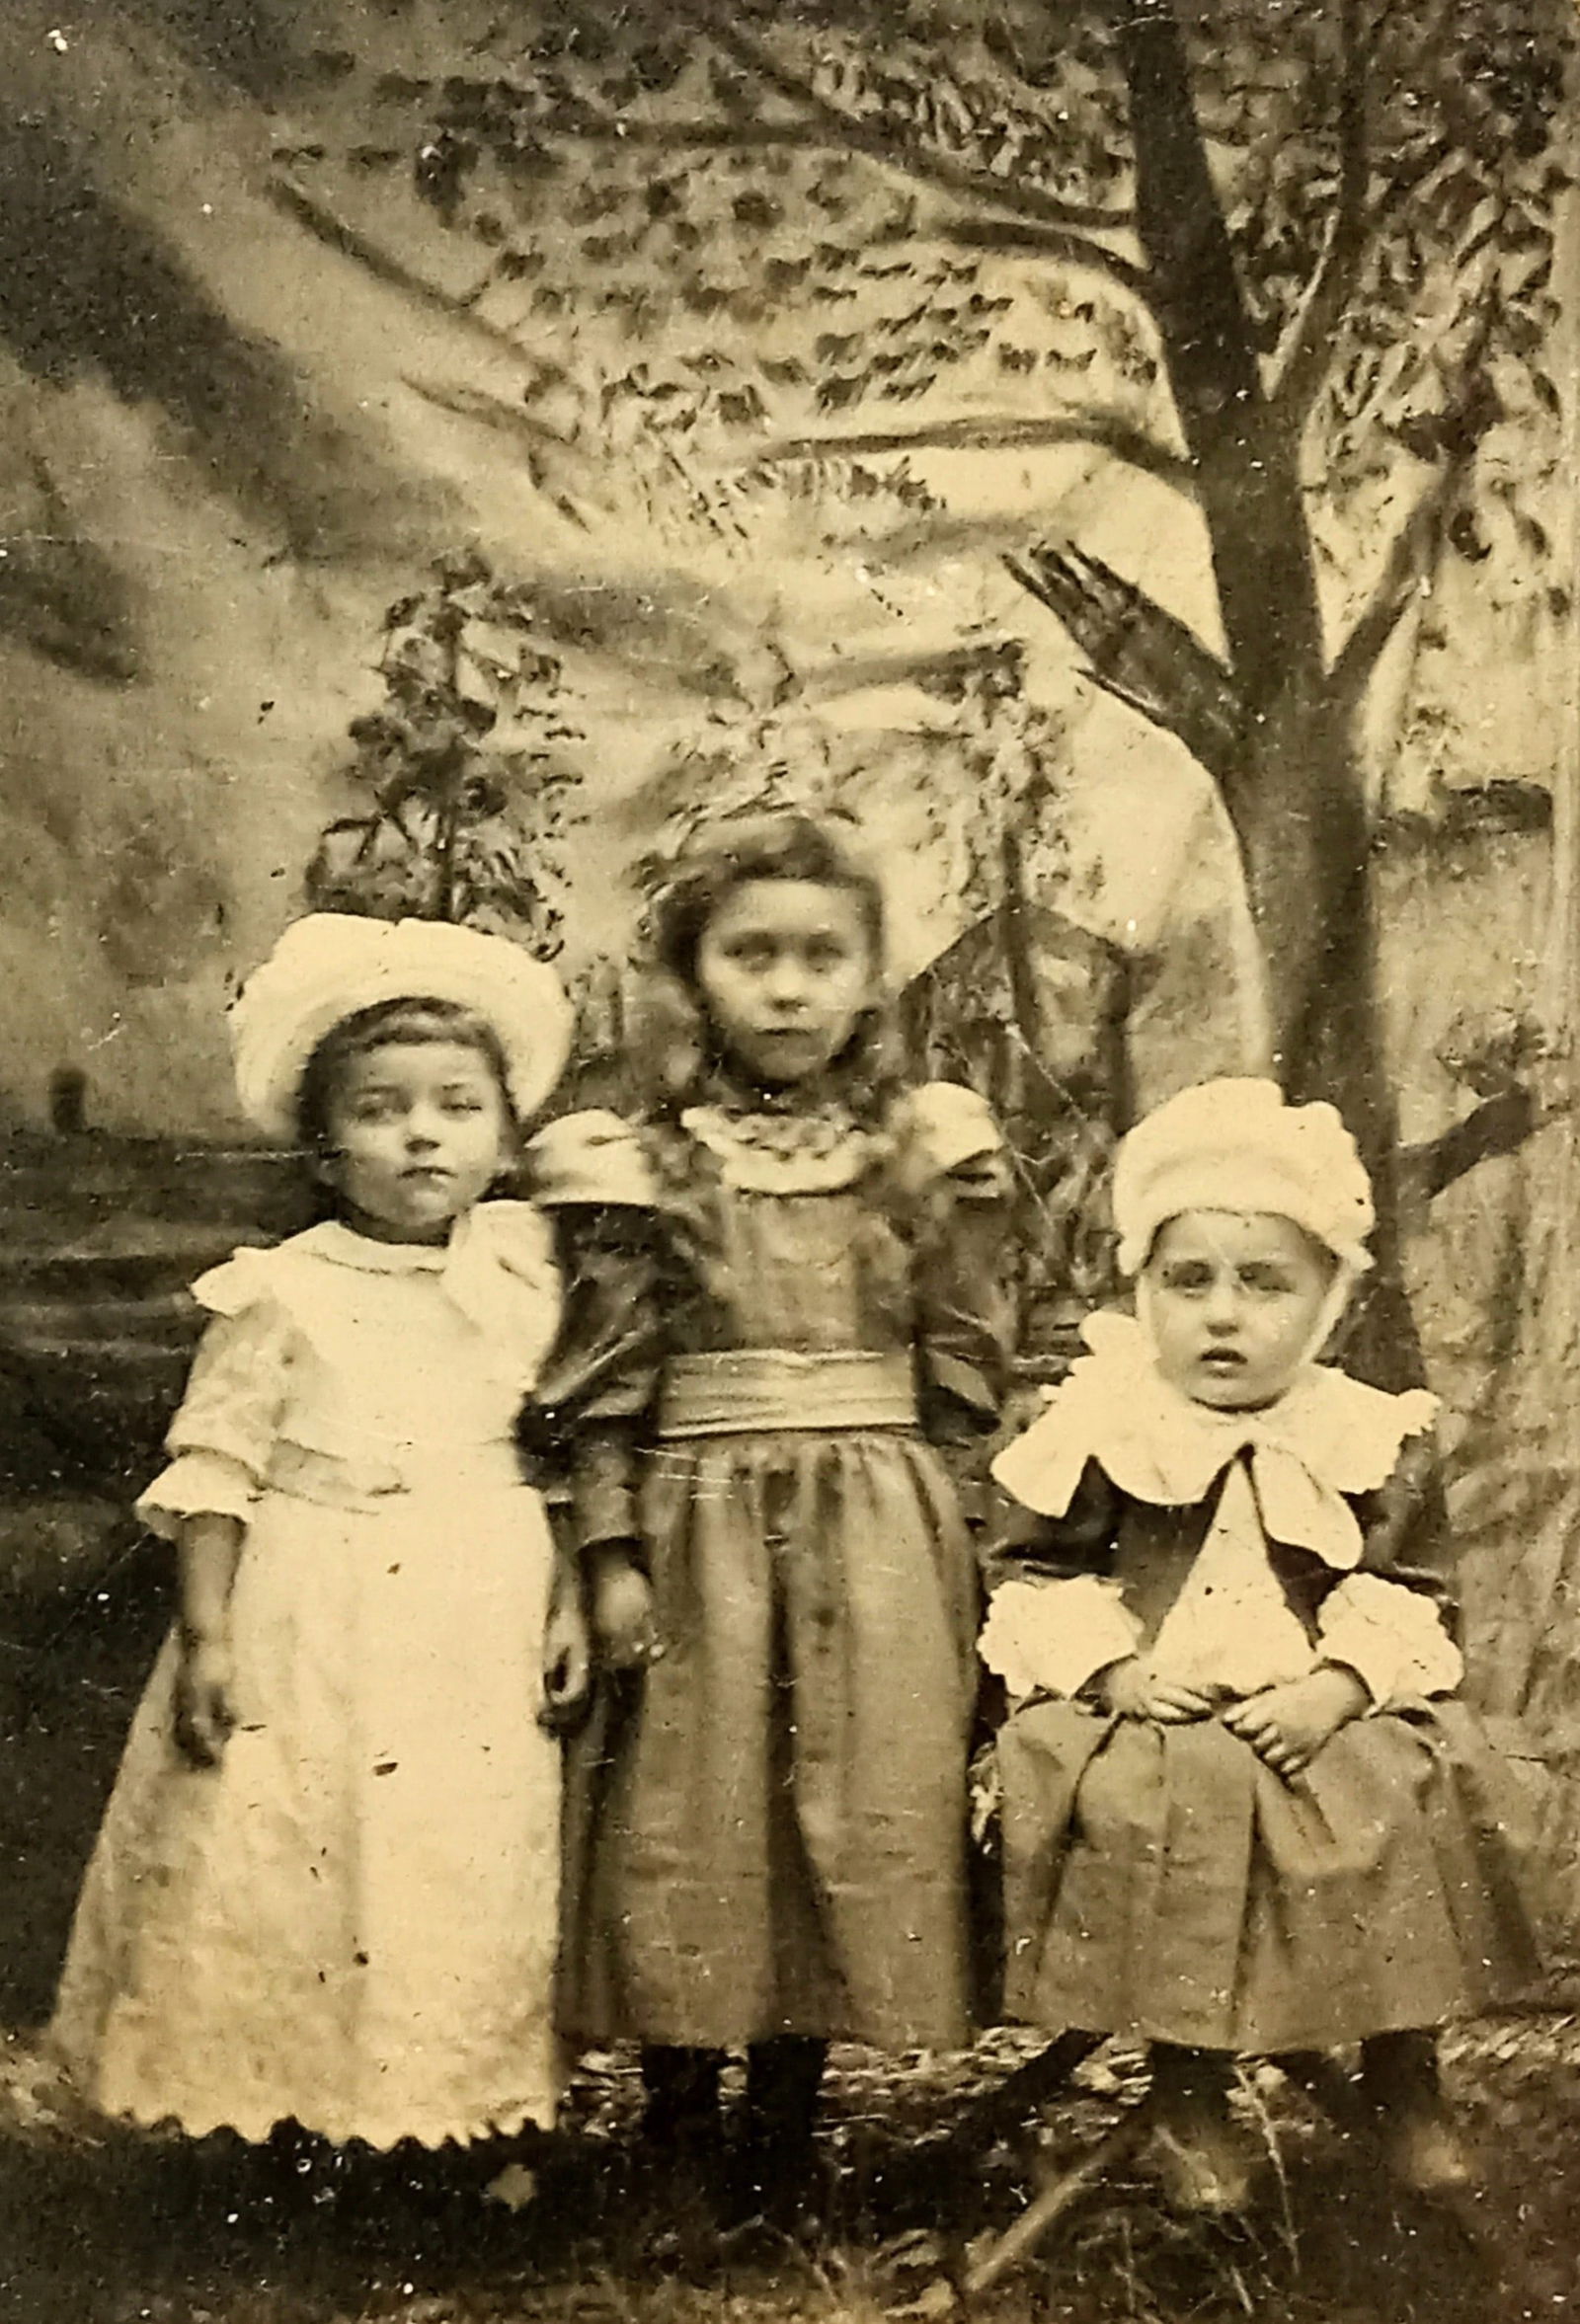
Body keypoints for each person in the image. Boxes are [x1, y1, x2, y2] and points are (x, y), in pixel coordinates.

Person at [528, 810, 1009, 2225]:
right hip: (696, 1528)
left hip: (880, 1527)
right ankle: (679, 2120)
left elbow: (971, 1364)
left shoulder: (925, 1149)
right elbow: (605, 1386)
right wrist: (609, 1550)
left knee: (843, 1810)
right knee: (694, 1815)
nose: (789, 988)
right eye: (753, 955)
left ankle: (787, 2122)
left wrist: (975, 1542)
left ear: (872, 977)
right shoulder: (643, 1159)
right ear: (695, 974)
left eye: (822, 955)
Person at [49, 912, 583, 2156]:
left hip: (475, 1601)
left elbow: (559, 1459)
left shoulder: (523, 1279)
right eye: (380, 1108)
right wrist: (207, 1634)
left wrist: (563, 1601)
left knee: (456, 1854)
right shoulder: (282, 1287)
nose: (420, 1133)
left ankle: (442, 2123)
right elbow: (220, 1470)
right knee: (285, 1850)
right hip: (314, 1604)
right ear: (328, 1149)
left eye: (456, 1105)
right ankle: (285, 2122)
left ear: (503, 1136)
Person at [979, 1078, 1539, 2216]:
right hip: (1154, 1710)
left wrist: (1338, 1684)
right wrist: (1114, 1669)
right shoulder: (1106, 1428)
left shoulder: (1361, 1430)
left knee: (1398, 1778)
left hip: (1315, 1711)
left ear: (1329, 1300)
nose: (1221, 1315)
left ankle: (1401, 2076)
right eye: (1187, 1282)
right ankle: (1188, 2091)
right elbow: (1036, 1571)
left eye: (1262, 1282)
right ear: (1141, 1291)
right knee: (1171, 1799)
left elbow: (1406, 1589)